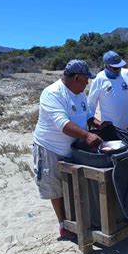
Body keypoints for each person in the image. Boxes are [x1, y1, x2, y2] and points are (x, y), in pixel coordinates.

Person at [32, 59, 107, 241]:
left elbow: (87, 114)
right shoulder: (52, 93)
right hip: (50, 148)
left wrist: (98, 124)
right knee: (55, 188)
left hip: (73, 147)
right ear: (75, 78)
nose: (87, 82)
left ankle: (76, 219)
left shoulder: (79, 92)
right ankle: (63, 225)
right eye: (85, 79)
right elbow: (62, 124)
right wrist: (87, 136)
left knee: (73, 187)